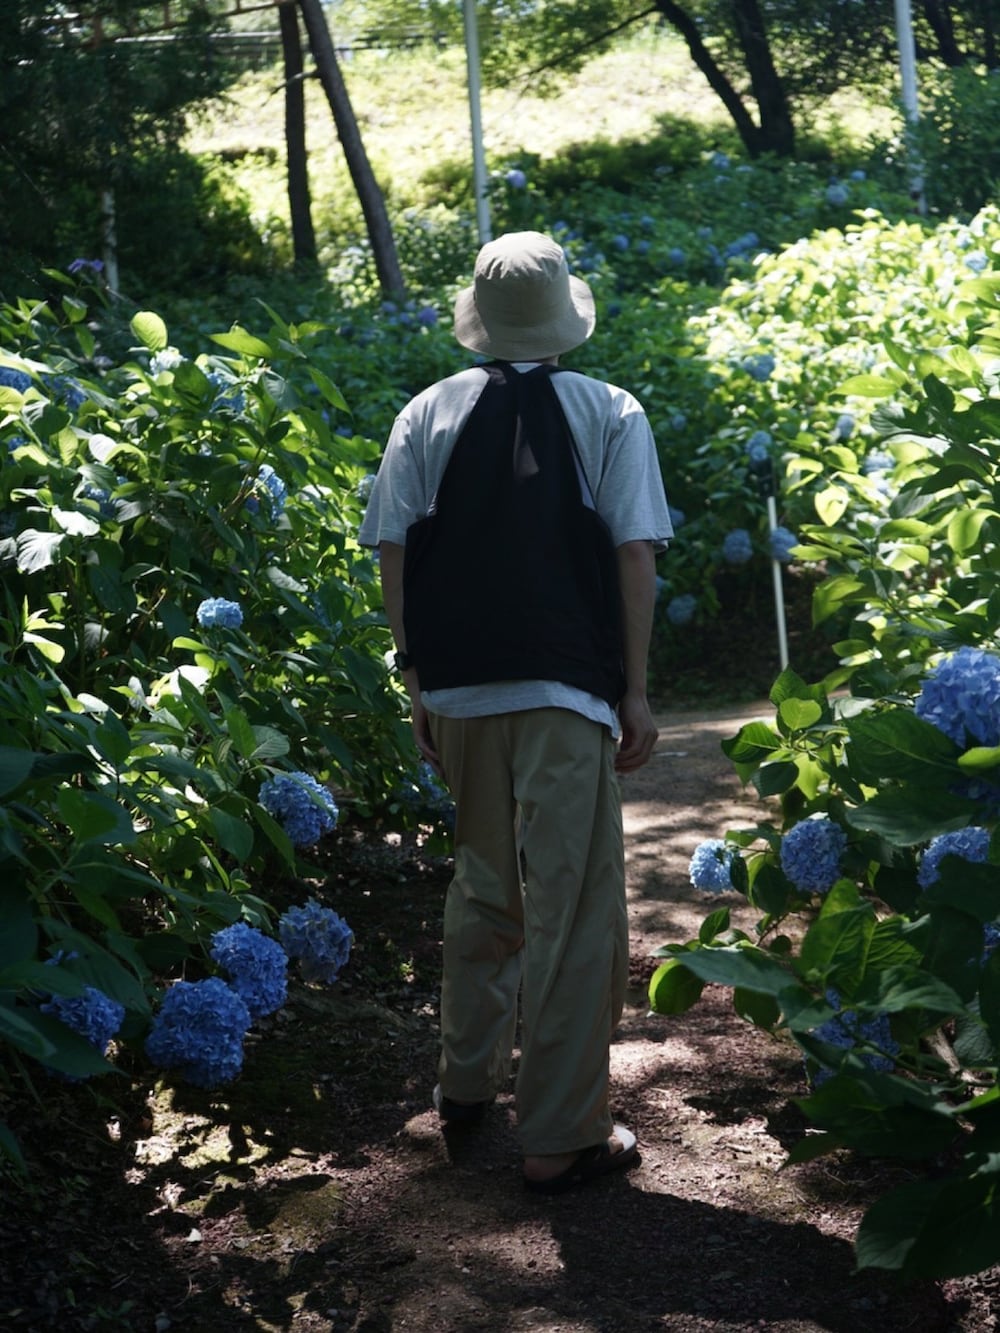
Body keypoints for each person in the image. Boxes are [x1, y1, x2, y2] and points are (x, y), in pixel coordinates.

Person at [359, 230, 672, 1193]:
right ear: (566, 313)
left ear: (481, 320)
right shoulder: (610, 411)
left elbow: (393, 552)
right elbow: (633, 555)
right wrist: (635, 689)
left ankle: (463, 1089)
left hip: (456, 686)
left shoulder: (428, 411)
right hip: (564, 689)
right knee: (574, 909)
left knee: (483, 887)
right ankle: (559, 1134)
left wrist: (415, 677)